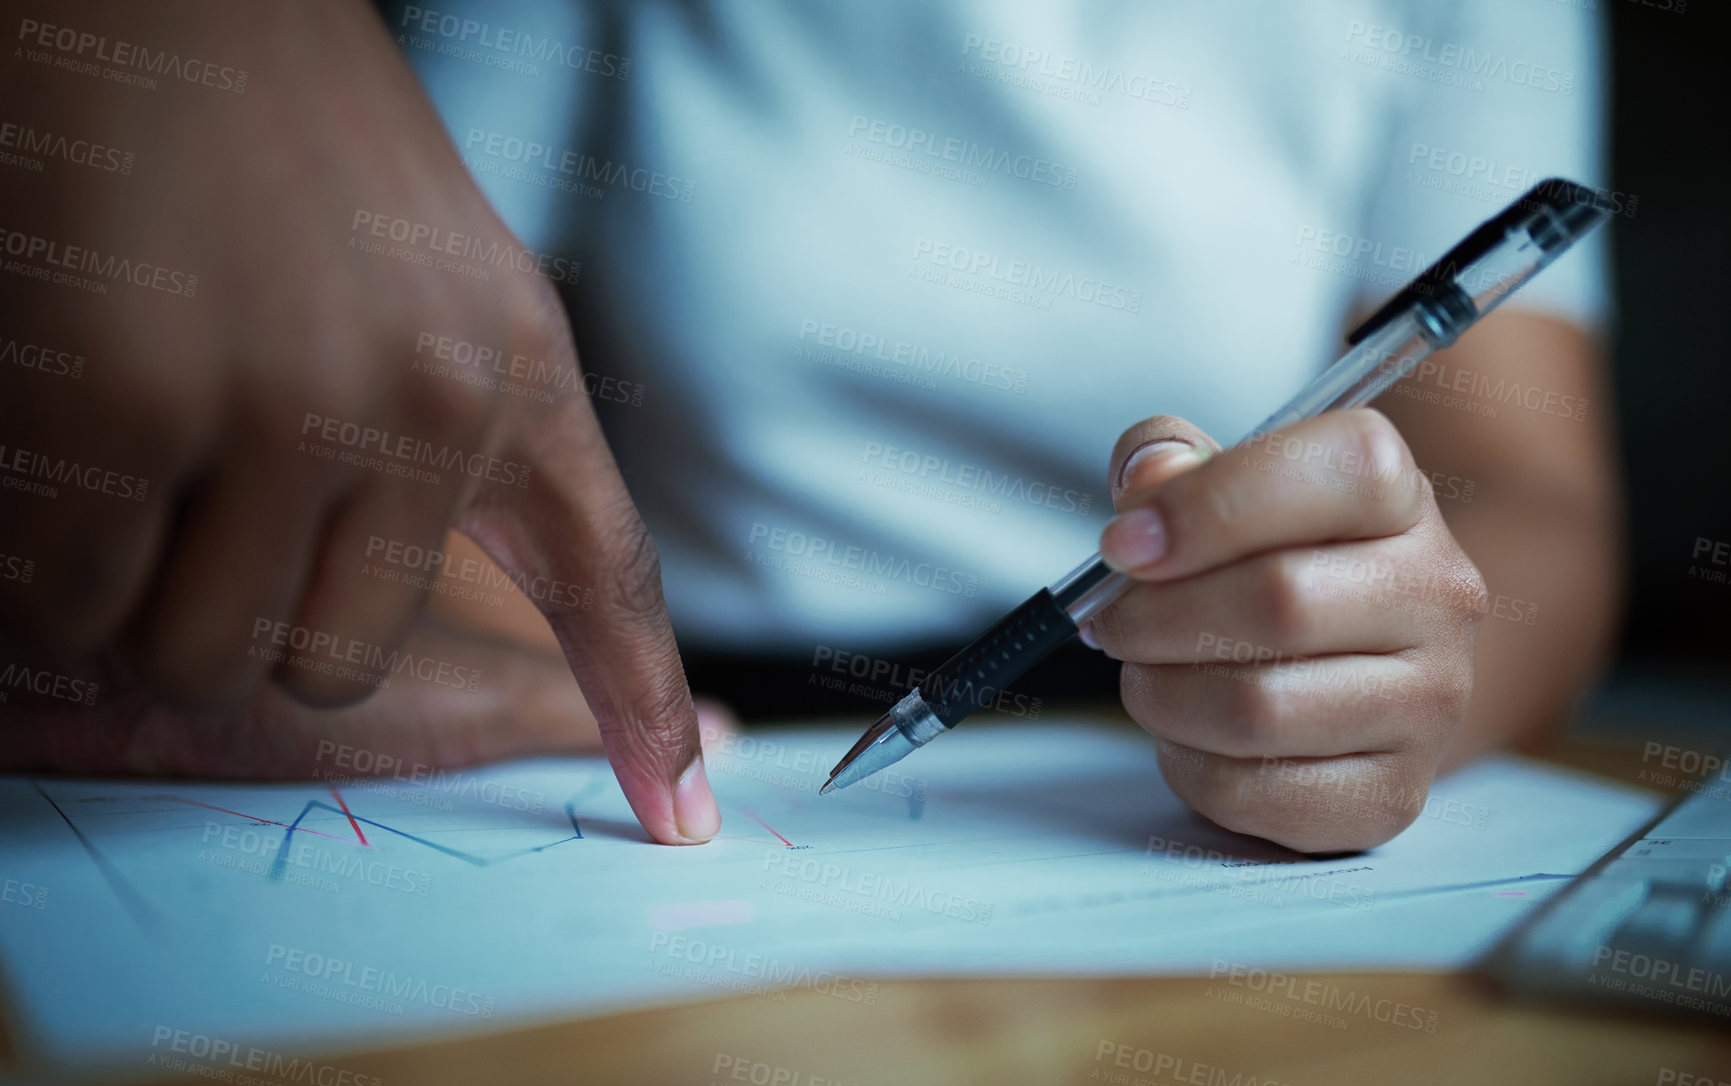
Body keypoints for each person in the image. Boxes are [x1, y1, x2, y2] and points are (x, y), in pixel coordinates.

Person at [0, 0, 1618, 853]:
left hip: (1210, 730)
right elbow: (416, 382)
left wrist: (1383, 680)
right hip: (656, 707)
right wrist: (557, 709)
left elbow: (1529, 494)